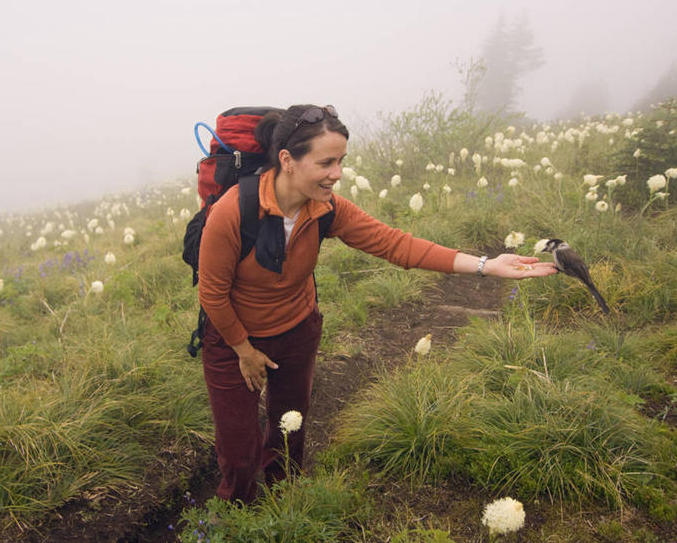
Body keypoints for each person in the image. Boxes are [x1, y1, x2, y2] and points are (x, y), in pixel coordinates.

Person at [197, 104, 557, 504]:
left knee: (290, 427)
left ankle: (287, 500)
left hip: (297, 329)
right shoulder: (233, 211)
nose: (337, 173)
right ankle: (238, 510)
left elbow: (396, 245)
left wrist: (487, 265)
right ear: (287, 160)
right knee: (238, 449)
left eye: (341, 161)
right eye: (326, 163)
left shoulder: (325, 208)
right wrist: (244, 350)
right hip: (233, 340)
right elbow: (212, 293)